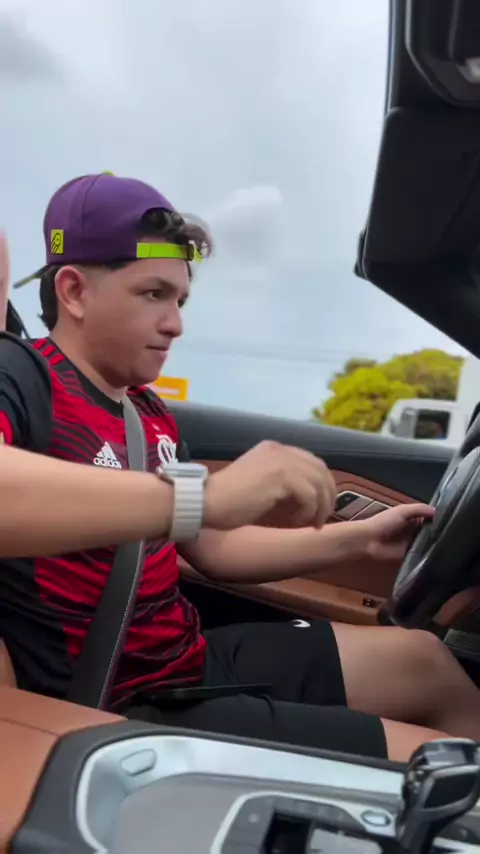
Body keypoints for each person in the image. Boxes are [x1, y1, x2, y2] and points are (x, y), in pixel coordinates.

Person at [1, 174, 479, 763]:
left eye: (180, 300)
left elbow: (217, 548)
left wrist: (357, 539)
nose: (175, 323)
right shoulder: (22, 375)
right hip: (113, 701)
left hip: (187, 658)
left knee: (424, 660)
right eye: (153, 294)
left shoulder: (148, 414)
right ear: (74, 292)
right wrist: (201, 497)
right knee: (445, 767)